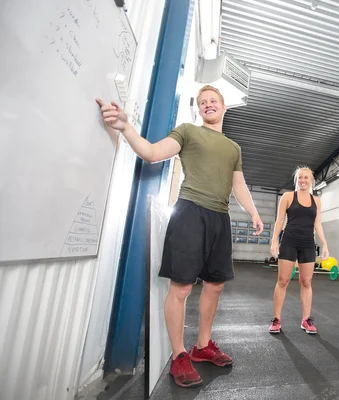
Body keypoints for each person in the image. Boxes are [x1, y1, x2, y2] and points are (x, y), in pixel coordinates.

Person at [96, 85, 264, 388]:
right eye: (203, 102)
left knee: (215, 285)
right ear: (199, 110)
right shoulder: (187, 131)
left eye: (213, 101)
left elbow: (238, 185)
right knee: (182, 287)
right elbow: (151, 153)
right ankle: (179, 356)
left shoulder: (233, 148)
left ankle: (202, 347)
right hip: (190, 212)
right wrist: (125, 126)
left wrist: (252, 212)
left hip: (219, 217)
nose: (208, 105)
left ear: (224, 107)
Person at [269, 166, 329, 335]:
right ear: (297, 180)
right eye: (300, 178)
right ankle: (276, 319)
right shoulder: (288, 197)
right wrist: (274, 241)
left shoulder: (316, 201)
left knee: (306, 282)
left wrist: (324, 244)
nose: (303, 180)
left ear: (311, 181)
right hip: (289, 241)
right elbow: (280, 220)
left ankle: (306, 320)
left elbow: (317, 224)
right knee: (283, 281)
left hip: (308, 244)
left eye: (306, 178)